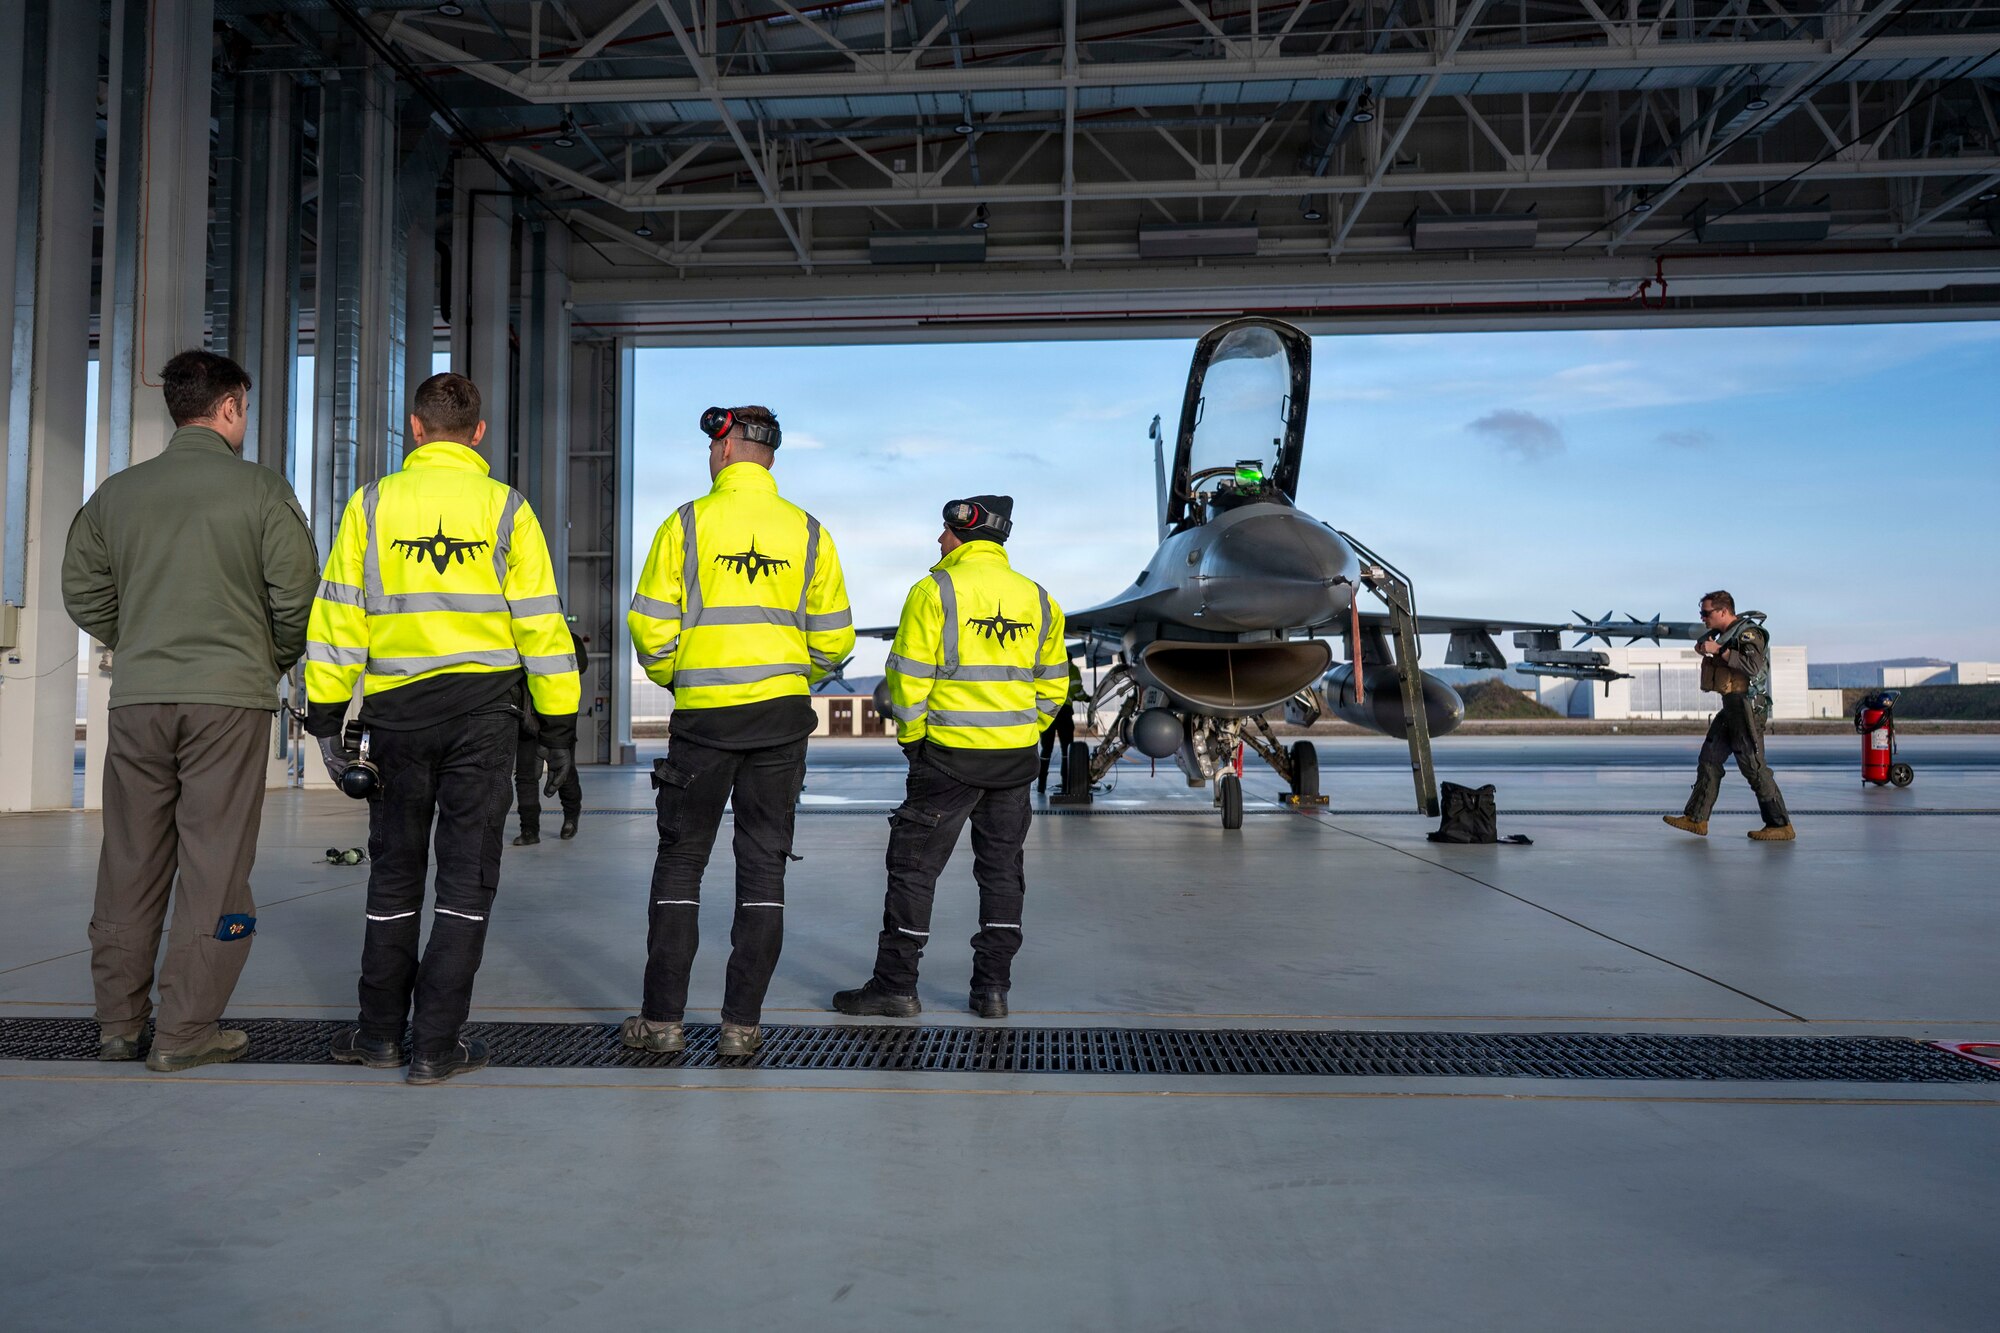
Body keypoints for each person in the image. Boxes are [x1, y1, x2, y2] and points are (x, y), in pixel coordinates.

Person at [303, 373, 580, 1085]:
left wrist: (328, 719)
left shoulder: (371, 504)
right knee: (465, 880)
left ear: (415, 429)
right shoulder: (506, 510)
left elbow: (338, 618)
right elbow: (543, 628)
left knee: (394, 875)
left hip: (395, 715)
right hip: (484, 721)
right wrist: (557, 728)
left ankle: (378, 1036)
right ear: (478, 433)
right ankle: (434, 1045)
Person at [60, 349, 319, 1071]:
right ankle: (183, 1032)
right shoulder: (262, 490)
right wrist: (267, 657)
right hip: (229, 701)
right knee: (215, 865)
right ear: (231, 407)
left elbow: (81, 589)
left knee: (130, 858)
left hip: (139, 697)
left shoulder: (118, 492)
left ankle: (118, 1023)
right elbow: (297, 596)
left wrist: (135, 635)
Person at [622, 406, 853, 1058]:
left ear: (725, 446)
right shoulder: (809, 531)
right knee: (763, 868)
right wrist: (788, 673)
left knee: (681, 863)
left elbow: (649, 623)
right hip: (781, 719)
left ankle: (662, 1022)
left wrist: (683, 675)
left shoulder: (686, 524)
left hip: (704, 718)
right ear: (770, 456)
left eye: (710, 444)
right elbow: (834, 638)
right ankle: (741, 1027)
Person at [833, 495, 1069, 1021]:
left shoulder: (933, 589)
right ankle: (992, 991)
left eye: (943, 532)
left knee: (914, 871)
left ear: (961, 533)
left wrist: (914, 740)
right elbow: (1055, 686)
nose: (939, 541)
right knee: (1003, 874)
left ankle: (896, 987)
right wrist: (1024, 731)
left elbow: (908, 678)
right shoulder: (1040, 598)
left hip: (946, 759)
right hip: (1013, 762)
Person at [1664, 590, 1794, 841]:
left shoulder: (1749, 633)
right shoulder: (1724, 635)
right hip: (1731, 706)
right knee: (1709, 758)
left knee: (1753, 768)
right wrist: (1709, 648)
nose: (1702, 617)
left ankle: (1780, 824)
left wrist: (1720, 650)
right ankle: (1697, 819)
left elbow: (1752, 666)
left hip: (1747, 709)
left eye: (1706, 613)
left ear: (1723, 611)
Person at [513, 627, 589, 845]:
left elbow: (581, 665)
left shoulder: (569, 638)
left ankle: (571, 817)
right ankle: (529, 830)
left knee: (563, 771)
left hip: (557, 718)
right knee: (526, 775)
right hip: (528, 716)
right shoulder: (519, 638)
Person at [1035, 660, 1085, 794]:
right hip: (1064, 711)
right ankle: (1066, 784)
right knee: (1067, 750)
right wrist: (1085, 698)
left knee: (1046, 750)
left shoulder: (1045, 665)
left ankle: (1041, 785)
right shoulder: (1072, 669)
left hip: (1048, 711)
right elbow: (1077, 691)